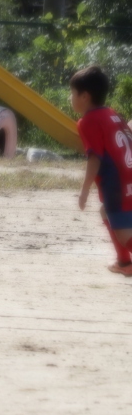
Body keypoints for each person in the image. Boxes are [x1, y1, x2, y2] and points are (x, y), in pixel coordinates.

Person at [73, 65, 132, 276]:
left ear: (84, 96)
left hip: (118, 183)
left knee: (124, 233)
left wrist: (84, 191)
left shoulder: (87, 121)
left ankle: (125, 260)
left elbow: (95, 158)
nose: (71, 97)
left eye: (72, 93)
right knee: (106, 212)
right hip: (128, 177)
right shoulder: (112, 113)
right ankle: (124, 262)